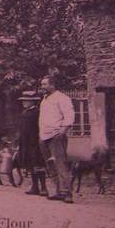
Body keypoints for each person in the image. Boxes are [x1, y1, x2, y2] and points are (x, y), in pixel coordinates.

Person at [38, 74, 76, 203]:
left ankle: (67, 193)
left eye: (45, 84)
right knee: (50, 165)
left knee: (60, 164)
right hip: (44, 136)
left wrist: (63, 131)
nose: (42, 87)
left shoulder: (62, 98)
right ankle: (57, 191)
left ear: (52, 85)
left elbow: (69, 115)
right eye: (42, 84)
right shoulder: (45, 99)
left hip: (56, 136)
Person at [16, 90, 48, 196]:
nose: (24, 102)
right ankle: (35, 186)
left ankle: (43, 187)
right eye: (23, 100)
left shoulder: (38, 112)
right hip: (25, 143)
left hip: (35, 142)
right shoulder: (23, 113)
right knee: (30, 164)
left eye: (27, 101)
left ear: (33, 102)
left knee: (38, 164)